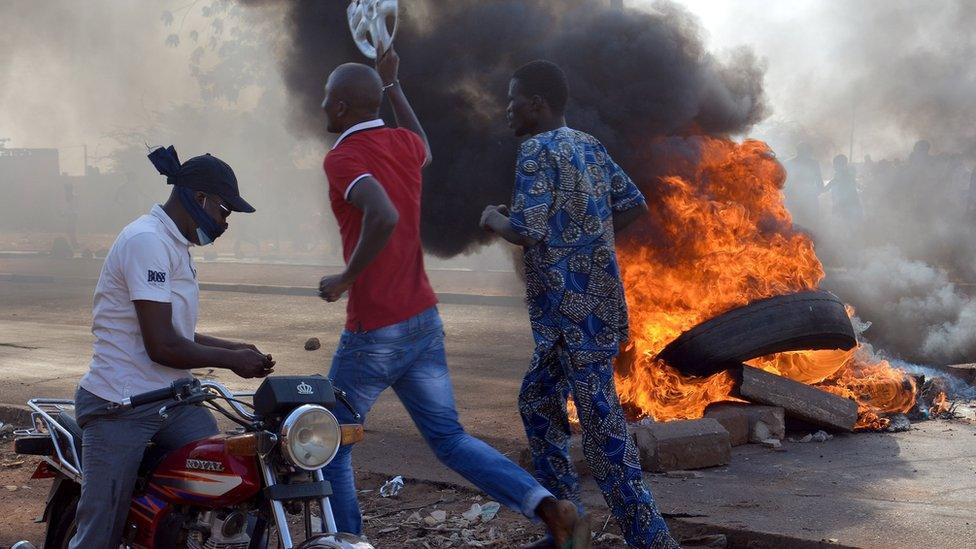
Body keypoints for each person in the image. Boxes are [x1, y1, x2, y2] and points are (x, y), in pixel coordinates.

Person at [317, 48, 589, 548]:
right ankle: (548, 507)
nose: (320, 107)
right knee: (450, 439)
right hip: (422, 320)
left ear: (340, 108)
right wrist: (394, 85)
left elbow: (383, 215)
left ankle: (347, 543)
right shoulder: (401, 143)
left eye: (326, 99)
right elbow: (424, 146)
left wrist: (346, 277)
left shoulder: (343, 158)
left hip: (375, 330)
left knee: (327, 444)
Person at [480, 60, 680, 549]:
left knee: (603, 431)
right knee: (537, 402)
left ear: (537, 103)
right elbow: (632, 204)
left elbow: (525, 230)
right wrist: (593, 240)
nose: (507, 109)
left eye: (513, 100)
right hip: (590, 309)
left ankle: (652, 538)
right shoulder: (590, 146)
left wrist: (492, 219)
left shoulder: (534, 151)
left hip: (569, 318)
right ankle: (564, 522)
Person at [68, 146, 275, 548]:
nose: (225, 222)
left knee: (227, 485)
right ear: (200, 199)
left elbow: (177, 332)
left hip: (174, 402)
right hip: (120, 406)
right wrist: (232, 360)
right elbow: (162, 345)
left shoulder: (174, 245)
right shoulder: (145, 241)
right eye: (224, 210)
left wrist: (235, 346)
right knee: (99, 532)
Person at [783, 142, 824, 233]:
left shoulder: (813, 164)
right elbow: (785, 183)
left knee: (810, 224)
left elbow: (820, 184)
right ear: (798, 151)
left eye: (807, 151)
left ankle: (810, 244)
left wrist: (814, 193)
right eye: (803, 151)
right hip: (795, 199)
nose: (805, 153)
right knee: (795, 223)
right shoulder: (789, 163)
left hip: (809, 199)